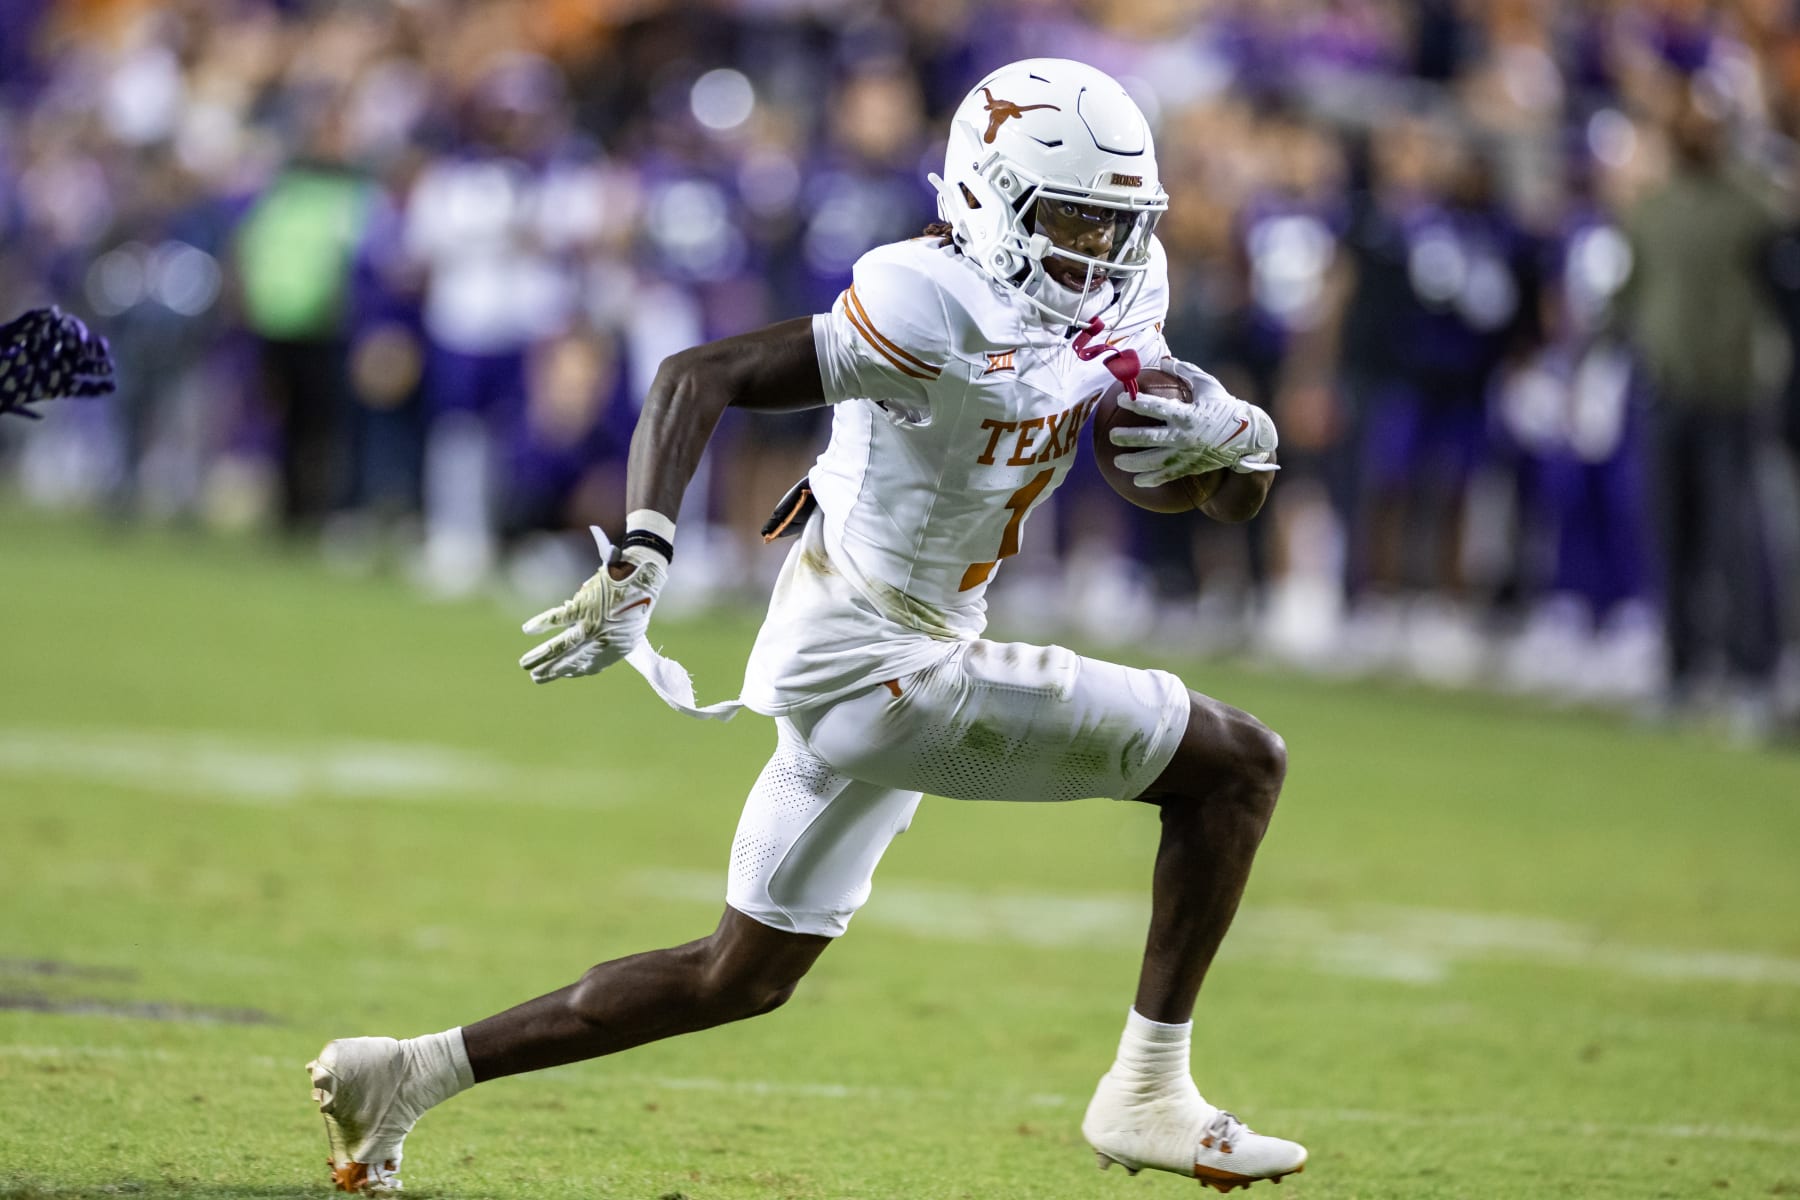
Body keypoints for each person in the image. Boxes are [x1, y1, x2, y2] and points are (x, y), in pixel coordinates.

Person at [307, 59, 1304, 1195]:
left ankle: (406, 1075)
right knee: (1238, 767)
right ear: (985, 196)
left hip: (890, 646)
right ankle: (1148, 1090)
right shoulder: (925, 298)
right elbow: (701, 373)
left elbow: (1174, 485)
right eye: (1071, 216)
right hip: (880, 662)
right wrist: (643, 553)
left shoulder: (1122, 288)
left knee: (740, 976)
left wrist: (1239, 450)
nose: (1098, 247)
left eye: (1118, 221)